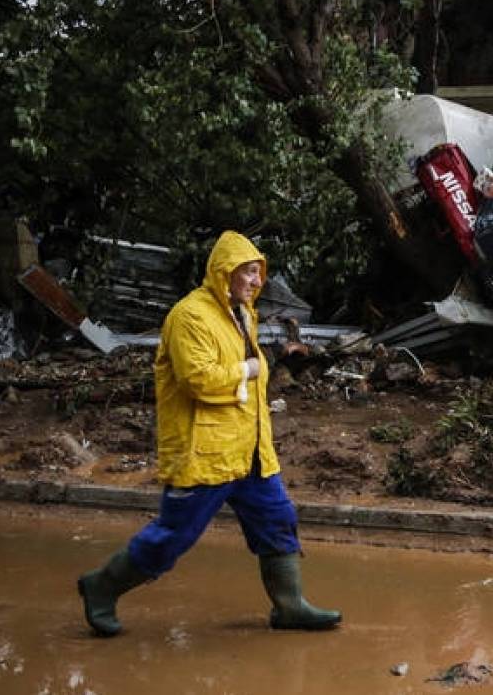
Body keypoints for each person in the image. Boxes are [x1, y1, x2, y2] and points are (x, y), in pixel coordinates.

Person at [76, 231, 340, 636]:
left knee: (278, 519)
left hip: (249, 451)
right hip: (205, 453)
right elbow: (198, 379)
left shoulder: (242, 313)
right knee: (173, 537)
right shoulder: (189, 317)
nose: (256, 281)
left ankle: (290, 607)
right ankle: (101, 586)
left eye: (258, 273)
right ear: (224, 272)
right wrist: (250, 370)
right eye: (248, 273)